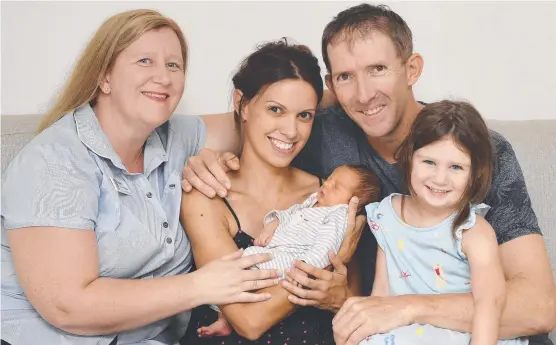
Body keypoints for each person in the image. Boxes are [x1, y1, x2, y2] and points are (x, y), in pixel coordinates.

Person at [180, 3, 556, 345]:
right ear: (331, 86)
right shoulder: (321, 132)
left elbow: (539, 308)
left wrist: (405, 307)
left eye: (378, 69)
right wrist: (203, 157)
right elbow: (259, 115)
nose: (363, 95)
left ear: (412, 69)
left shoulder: (476, 150)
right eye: (345, 77)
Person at [0, 9, 282, 345]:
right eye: (145, 61)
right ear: (104, 77)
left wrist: (348, 94)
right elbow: (68, 307)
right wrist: (202, 286)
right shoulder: (54, 162)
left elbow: (265, 116)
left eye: (173, 65)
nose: (163, 76)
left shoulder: (175, 136)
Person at [179, 39, 364, 345]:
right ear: (243, 104)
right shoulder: (208, 195)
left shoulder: (328, 194)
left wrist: (339, 295)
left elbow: (352, 302)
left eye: (304, 115)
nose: (291, 131)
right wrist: (326, 263)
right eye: (276, 110)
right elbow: (248, 321)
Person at [356, 100, 526, 345]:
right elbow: (381, 294)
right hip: (404, 329)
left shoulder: (473, 231)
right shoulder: (386, 215)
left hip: (461, 332)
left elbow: (489, 302)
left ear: (474, 173)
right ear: (409, 158)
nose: (440, 178)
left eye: (456, 167)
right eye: (429, 162)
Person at [202, 164, 381, 338]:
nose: (327, 184)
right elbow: (290, 213)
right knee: (237, 269)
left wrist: (304, 272)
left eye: (336, 187)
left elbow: (325, 249)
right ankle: (224, 317)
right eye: (330, 179)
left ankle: (227, 316)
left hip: (293, 262)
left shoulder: (336, 217)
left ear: (352, 205)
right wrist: (272, 225)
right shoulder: (314, 202)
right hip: (278, 251)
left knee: (243, 265)